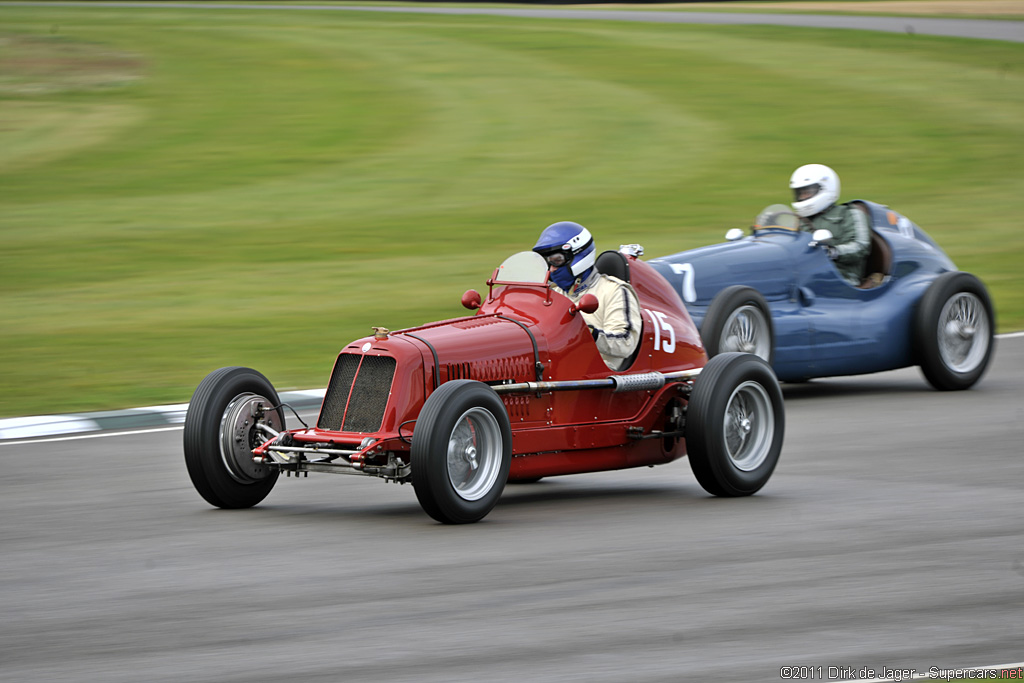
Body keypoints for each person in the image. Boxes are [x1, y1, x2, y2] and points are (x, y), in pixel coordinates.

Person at [532, 221, 642, 371]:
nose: (552, 269)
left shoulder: (614, 290)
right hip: (558, 368)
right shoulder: (554, 294)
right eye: (548, 263)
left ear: (578, 256)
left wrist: (589, 334)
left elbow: (625, 343)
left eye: (557, 261)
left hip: (598, 375)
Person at [789, 164, 871, 285]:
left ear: (826, 188)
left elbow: (861, 246)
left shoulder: (850, 213)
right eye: (800, 193)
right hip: (802, 274)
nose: (802, 197)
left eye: (807, 192)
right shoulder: (798, 219)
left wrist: (833, 252)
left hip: (841, 278)